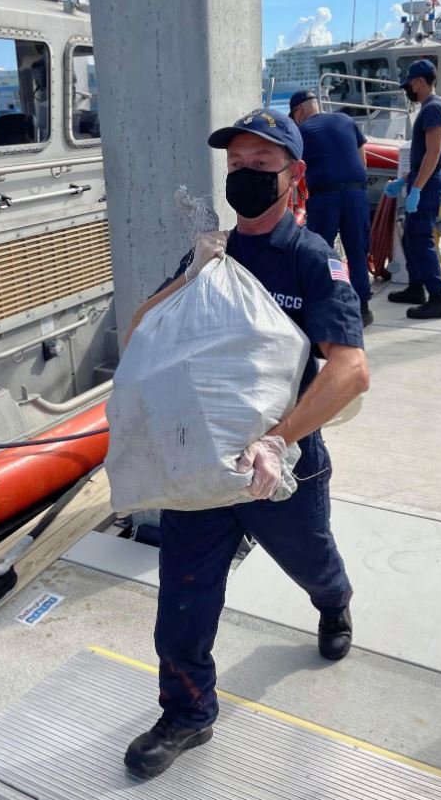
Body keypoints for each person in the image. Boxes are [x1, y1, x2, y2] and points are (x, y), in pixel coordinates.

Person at [123, 108, 369, 780]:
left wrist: (278, 439)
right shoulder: (210, 253)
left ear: (295, 178)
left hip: (281, 465)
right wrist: (191, 271)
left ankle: (333, 599)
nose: (246, 176)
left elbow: (350, 369)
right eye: (236, 166)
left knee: (311, 561)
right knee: (182, 593)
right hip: (204, 467)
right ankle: (187, 712)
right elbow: (143, 331)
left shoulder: (314, 260)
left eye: (262, 167)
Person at [289, 89, 373, 327]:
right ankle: (363, 308)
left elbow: (293, 168)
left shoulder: (301, 131)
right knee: (357, 251)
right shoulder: (346, 120)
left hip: (325, 197)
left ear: (299, 111)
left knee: (320, 253)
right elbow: (362, 161)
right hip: (357, 193)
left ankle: (326, 303)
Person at [384, 59, 441, 319]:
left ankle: (437, 298)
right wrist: (406, 181)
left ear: (420, 82)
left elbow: (433, 153)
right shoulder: (430, 108)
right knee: (410, 237)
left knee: (421, 240)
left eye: (409, 84)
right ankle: (416, 287)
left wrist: (417, 189)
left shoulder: (434, 109)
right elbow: (423, 155)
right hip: (421, 181)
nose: (407, 89)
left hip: (428, 184)